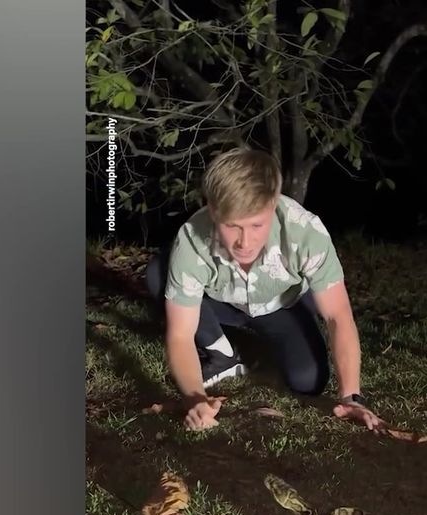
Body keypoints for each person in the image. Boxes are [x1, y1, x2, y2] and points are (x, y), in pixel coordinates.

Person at [144, 147, 384, 432]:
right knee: (158, 273)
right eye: (232, 226)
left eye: (256, 225)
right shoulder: (192, 237)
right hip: (222, 302)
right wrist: (195, 398)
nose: (244, 242)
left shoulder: (305, 232)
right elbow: (181, 334)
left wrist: (351, 397)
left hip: (283, 305)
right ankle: (221, 353)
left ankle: (262, 343)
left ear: (273, 205)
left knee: (309, 381)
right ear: (212, 210)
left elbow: (338, 315)